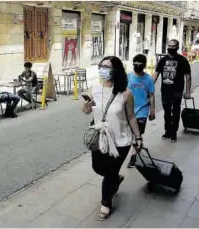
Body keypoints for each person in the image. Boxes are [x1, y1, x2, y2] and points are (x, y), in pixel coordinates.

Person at [81, 56, 143, 220]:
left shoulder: (126, 94)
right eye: (101, 66)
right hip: (101, 139)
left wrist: (138, 138)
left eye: (106, 66)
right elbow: (88, 111)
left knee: (109, 173)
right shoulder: (94, 88)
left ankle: (106, 204)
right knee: (98, 168)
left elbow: (131, 117)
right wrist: (86, 107)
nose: (102, 69)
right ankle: (116, 179)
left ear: (115, 70)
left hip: (121, 141)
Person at [153, 39, 192, 142]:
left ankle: (174, 132)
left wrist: (187, 92)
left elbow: (188, 76)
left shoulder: (182, 60)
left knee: (175, 112)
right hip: (165, 91)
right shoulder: (162, 60)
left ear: (177, 47)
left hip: (177, 91)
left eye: (173, 46)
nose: (171, 48)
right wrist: (149, 87)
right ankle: (167, 131)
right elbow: (156, 74)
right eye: (169, 45)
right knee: (166, 112)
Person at [126, 54, 155, 168]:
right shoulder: (128, 77)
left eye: (140, 64)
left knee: (136, 134)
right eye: (135, 63)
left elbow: (151, 95)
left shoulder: (148, 79)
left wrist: (152, 111)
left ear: (144, 65)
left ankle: (133, 156)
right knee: (131, 134)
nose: (137, 65)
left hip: (142, 111)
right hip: (128, 111)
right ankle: (136, 148)